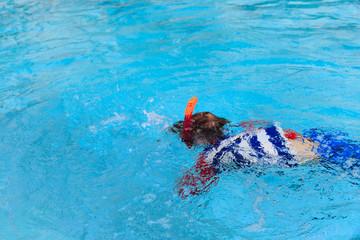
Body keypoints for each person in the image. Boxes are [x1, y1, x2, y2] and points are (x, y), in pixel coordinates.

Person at [171, 97, 360, 198]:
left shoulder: (210, 157)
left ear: (198, 141)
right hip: (315, 140)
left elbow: (188, 191)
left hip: (303, 161)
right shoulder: (247, 128)